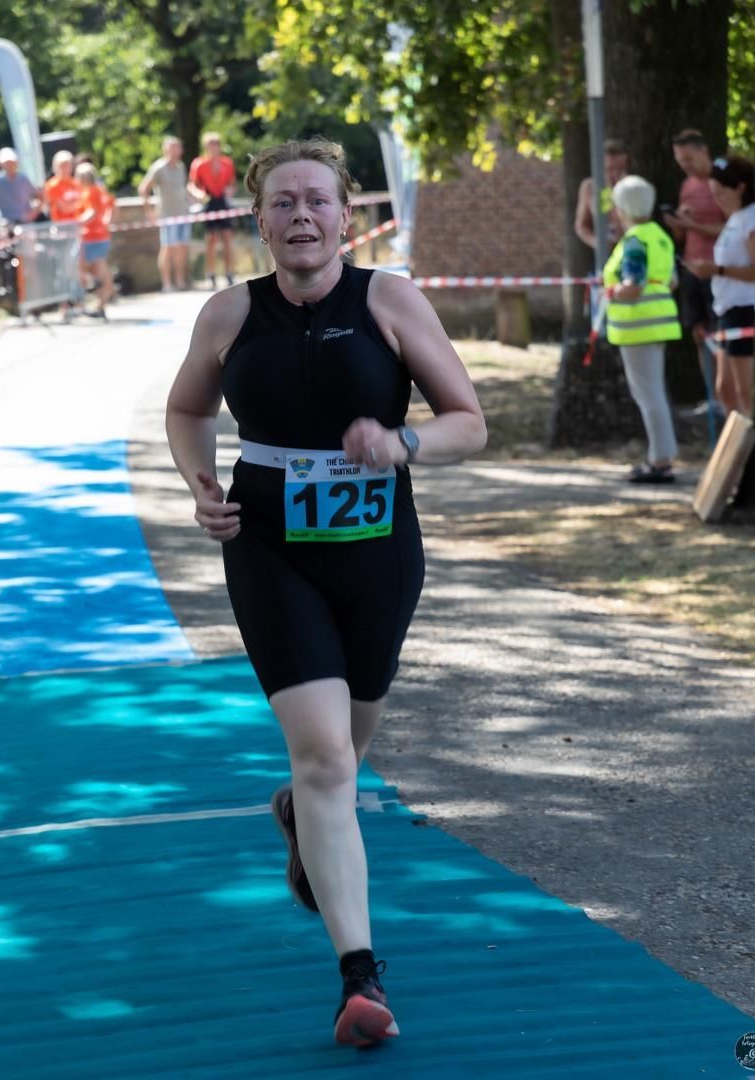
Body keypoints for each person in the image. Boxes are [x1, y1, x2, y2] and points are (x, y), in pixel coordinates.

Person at [165, 137, 487, 1048]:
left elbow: (470, 423)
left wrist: (405, 445)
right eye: (281, 203)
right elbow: (187, 412)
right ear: (258, 219)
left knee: (347, 747)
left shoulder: (389, 299)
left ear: (347, 216)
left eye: (316, 201)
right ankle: (360, 978)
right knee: (328, 763)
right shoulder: (229, 314)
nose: (300, 216)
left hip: (379, 550)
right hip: (268, 548)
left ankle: (302, 819)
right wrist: (200, 485)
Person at [603, 175, 682, 483]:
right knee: (654, 393)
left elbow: (632, 285)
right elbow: (671, 281)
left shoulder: (634, 240)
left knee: (648, 395)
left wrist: (610, 291)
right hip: (658, 323)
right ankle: (662, 455)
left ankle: (660, 461)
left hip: (637, 326)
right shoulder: (659, 235)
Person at [684, 155, 755, 417]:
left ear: (740, 188)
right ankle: (738, 447)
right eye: (712, 193)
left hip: (744, 308)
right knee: (724, 388)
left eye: (721, 193)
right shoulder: (734, 218)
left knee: (745, 390)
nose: (717, 199)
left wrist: (716, 270)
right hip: (726, 309)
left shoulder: (752, 219)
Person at [663, 130, 727, 417]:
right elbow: (681, 234)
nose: (685, 165)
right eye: (679, 161)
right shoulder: (687, 185)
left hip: (718, 269)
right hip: (691, 268)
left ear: (704, 151)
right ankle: (712, 397)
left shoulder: (724, 180)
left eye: (689, 158)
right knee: (699, 333)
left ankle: (729, 397)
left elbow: (734, 229)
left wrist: (694, 226)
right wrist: (677, 223)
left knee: (721, 334)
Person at [138, 136, 193, 292]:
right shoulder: (158, 167)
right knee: (167, 248)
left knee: (182, 248)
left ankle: (180, 281)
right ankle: (167, 284)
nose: (175, 150)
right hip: (167, 216)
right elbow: (144, 188)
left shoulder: (181, 166)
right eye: (172, 147)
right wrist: (149, 212)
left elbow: (183, 188)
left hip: (183, 214)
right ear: (165, 149)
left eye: (177, 147)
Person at [188, 131, 237, 289]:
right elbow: (192, 185)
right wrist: (198, 194)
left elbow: (232, 184)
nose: (214, 148)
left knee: (228, 237)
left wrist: (230, 190)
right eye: (211, 145)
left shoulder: (227, 163)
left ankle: (229, 273)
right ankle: (211, 274)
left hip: (222, 201)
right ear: (206, 147)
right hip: (209, 202)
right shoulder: (199, 163)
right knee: (211, 239)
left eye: (216, 144)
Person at [574, 138, 630, 252]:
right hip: (604, 254)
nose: (615, 175)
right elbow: (581, 225)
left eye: (620, 169)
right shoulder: (589, 187)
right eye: (609, 169)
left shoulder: (632, 187)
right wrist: (596, 242)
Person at [75, 163, 114, 318]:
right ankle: (100, 303)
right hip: (98, 235)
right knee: (96, 270)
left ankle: (101, 302)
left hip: (93, 236)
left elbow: (92, 212)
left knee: (98, 272)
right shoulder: (98, 191)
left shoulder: (91, 192)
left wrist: (78, 222)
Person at [43, 150, 84, 223]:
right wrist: (81, 206)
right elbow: (64, 208)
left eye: (68, 164)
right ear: (56, 166)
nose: (65, 168)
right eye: (62, 165)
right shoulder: (52, 185)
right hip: (62, 225)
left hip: (78, 223)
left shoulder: (76, 183)